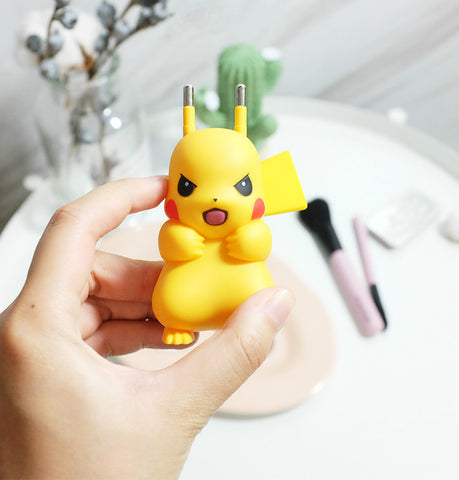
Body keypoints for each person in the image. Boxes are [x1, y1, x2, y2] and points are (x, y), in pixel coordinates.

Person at [0, 176, 294, 480]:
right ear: (173, 203)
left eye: (241, 187)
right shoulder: (175, 229)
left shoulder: (255, 228)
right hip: (187, 293)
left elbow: (260, 244)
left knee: (211, 294)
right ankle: (177, 323)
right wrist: (180, 244)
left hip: (243, 288)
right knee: (173, 302)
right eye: (188, 188)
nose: (215, 199)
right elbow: (170, 245)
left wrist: (250, 243)